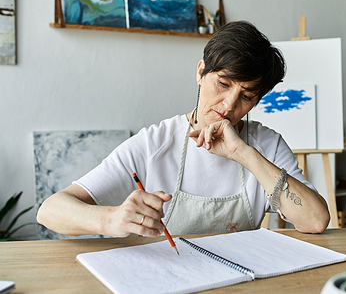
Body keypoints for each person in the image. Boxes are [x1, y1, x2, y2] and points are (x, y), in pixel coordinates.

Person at [37, 21, 330, 238]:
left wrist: (244, 153)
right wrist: (112, 218)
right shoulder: (154, 144)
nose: (229, 105)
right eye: (224, 84)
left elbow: (315, 221)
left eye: (247, 96)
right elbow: (51, 210)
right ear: (201, 72)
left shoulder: (266, 145)